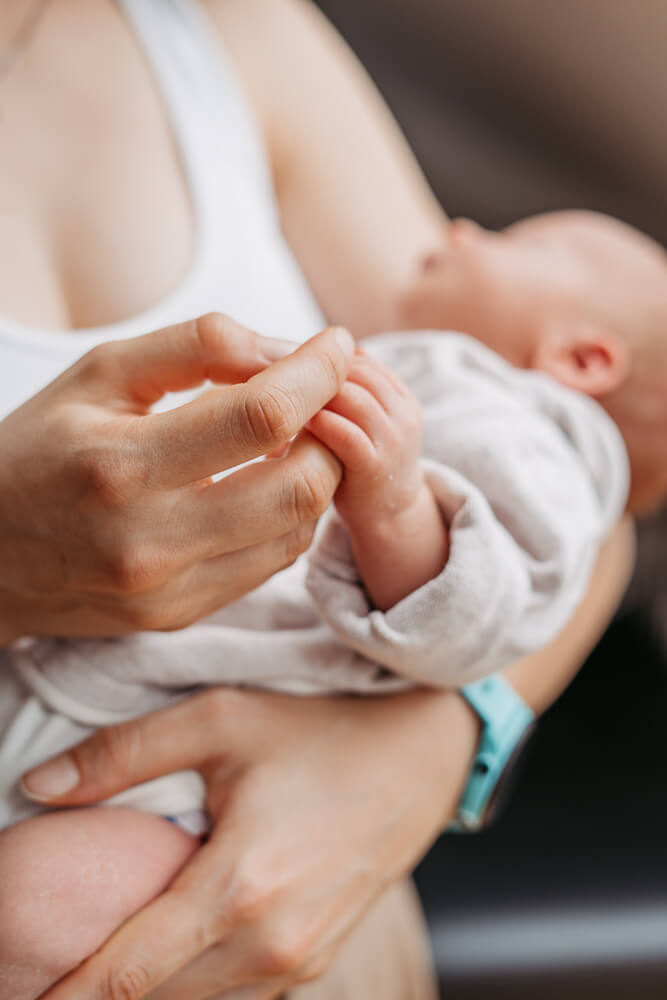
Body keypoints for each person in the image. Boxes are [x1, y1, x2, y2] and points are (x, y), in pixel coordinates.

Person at [0, 1, 635, 998]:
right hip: (112, 781)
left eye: (517, 240)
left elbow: (570, 539)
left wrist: (419, 755)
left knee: (35, 916)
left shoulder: (231, 32)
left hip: (253, 869)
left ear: (582, 359)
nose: (463, 228)